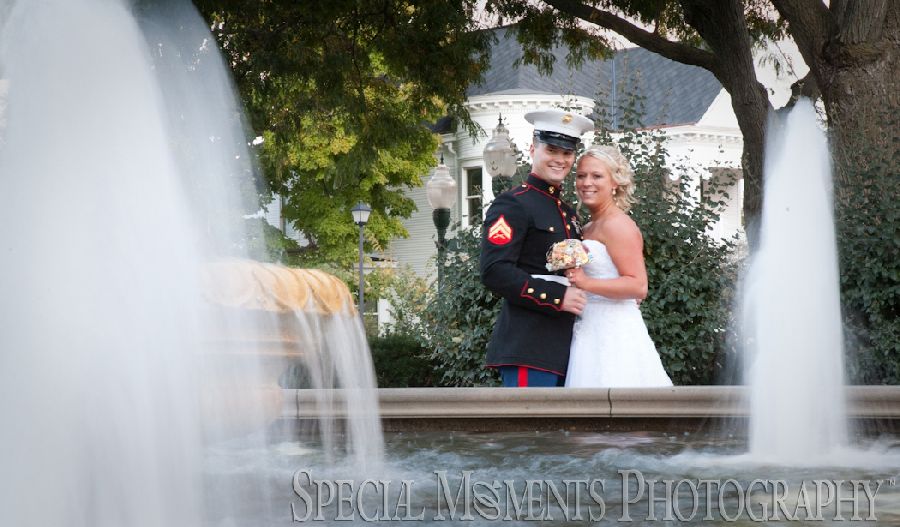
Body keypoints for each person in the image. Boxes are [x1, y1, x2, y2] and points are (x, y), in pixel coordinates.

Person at [481, 108, 593, 387]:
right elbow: (495, 271)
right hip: (529, 347)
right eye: (552, 150)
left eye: (567, 153)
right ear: (533, 149)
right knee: (530, 432)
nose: (560, 159)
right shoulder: (513, 203)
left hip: (569, 348)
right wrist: (558, 297)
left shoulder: (568, 212)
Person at [563, 145, 673, 388]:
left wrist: (586, 283)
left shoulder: (618, 225)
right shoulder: (588, 227)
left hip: (615, 333)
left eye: (596, 176)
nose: (586, 182)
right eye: (581, 176)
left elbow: (638, 285)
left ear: (615, 182)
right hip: (589, 327)